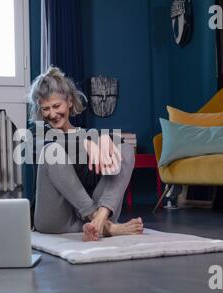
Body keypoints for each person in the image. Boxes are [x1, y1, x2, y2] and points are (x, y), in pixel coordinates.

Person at [27, 66, 143, 242]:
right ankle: (108, 228)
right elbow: (46, 146)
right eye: (45, 109)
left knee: (125, 149)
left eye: (56, 106)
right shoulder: (37, 133)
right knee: (52, 151)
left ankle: (99, 221)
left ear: (70, 102)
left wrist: (105, 138)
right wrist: (84, 143)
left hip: (90, 218)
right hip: (55, 221)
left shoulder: (89, 135)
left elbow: (122, 148)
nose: (52, 114)